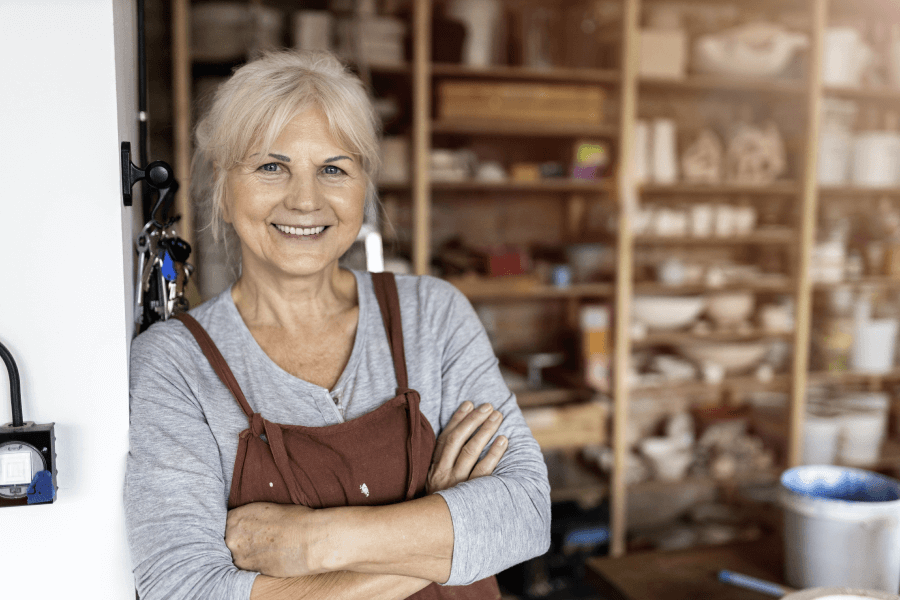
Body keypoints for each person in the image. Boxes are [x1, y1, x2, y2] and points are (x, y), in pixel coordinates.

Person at [124, 50, 551, 600]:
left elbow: (525, 514)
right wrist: (439, 525)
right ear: (222, 188)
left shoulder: (433, 315)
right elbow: (184, 589)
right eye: (270, 166)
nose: (305, 200)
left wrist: (313, 541)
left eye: (333, 169)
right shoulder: (176, 363)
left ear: (362, 189)